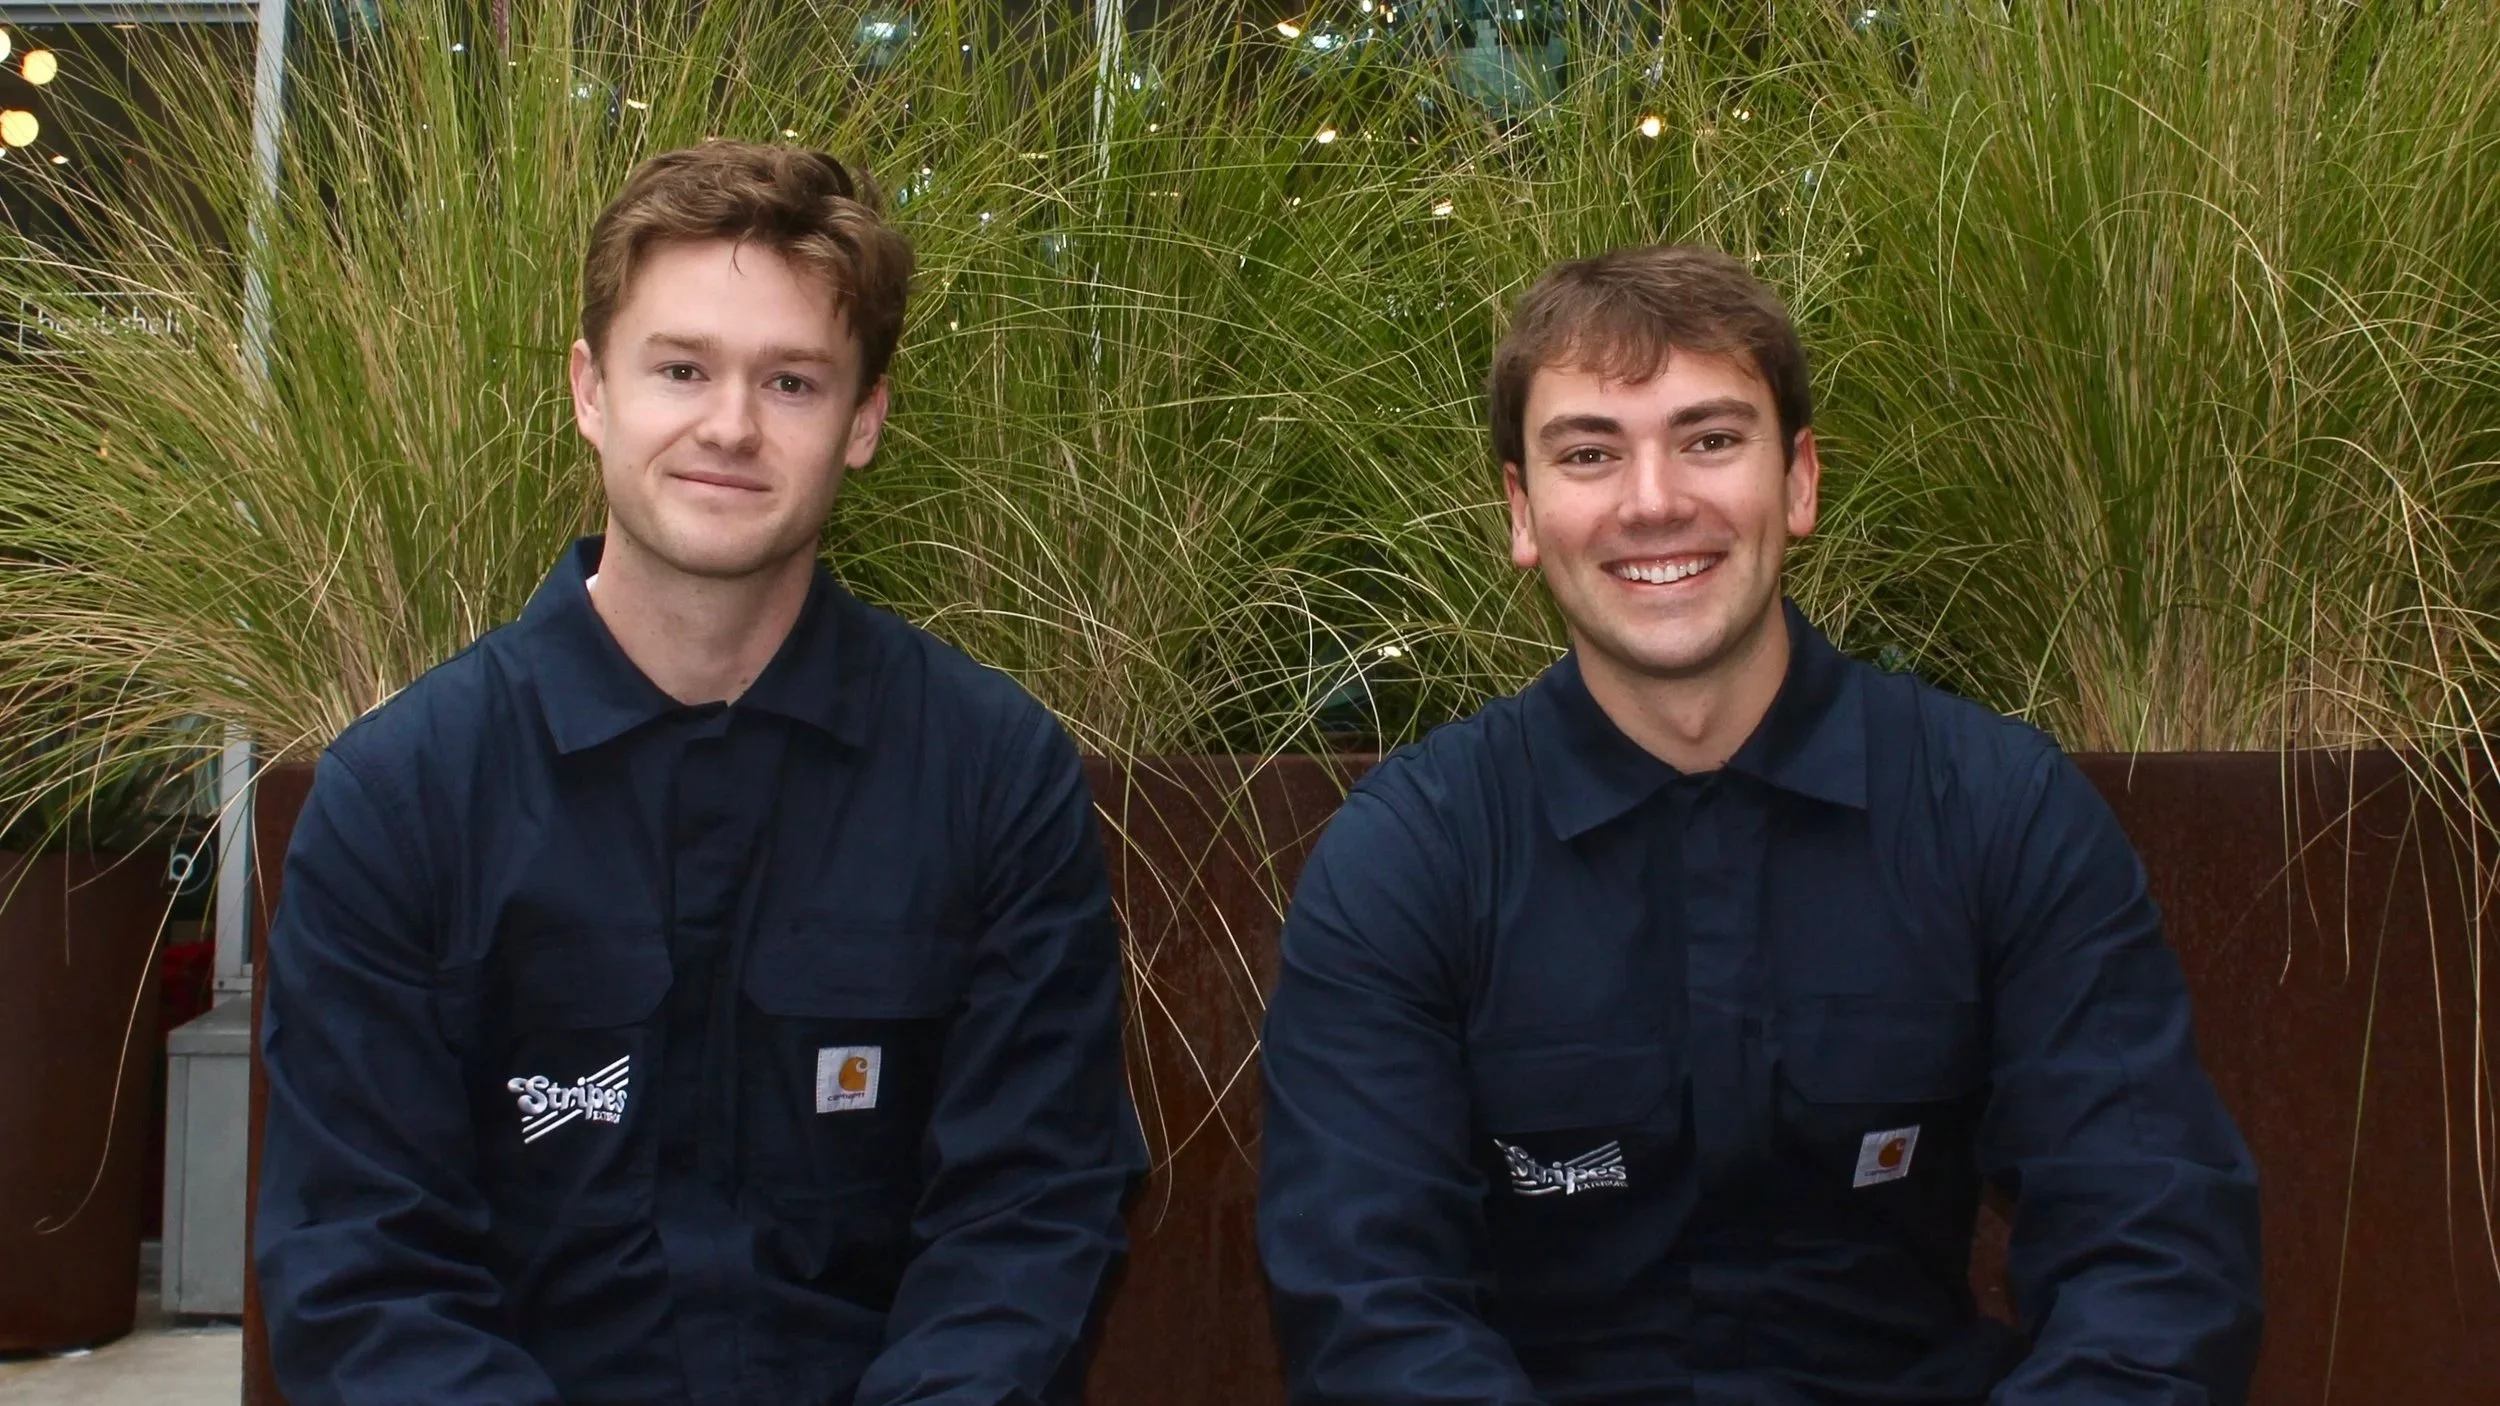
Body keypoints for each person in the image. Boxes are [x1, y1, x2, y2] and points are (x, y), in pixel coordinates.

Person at [1256, 244, 2262, 1405]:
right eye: (1590, 452)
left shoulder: (1999, 811)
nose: (1652, 501)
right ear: (1523, 514)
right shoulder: (1410, 859)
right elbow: (1369, 1307)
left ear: (1798, 482)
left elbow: (2154, 1247)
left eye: (1709, 439)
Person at [255, 142, 1146, 1405]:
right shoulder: (402, 797)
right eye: (681, 368)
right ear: (590, 390)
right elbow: (362, 1270)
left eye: (790, 380)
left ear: (866, 419)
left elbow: (1028, 1220)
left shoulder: (993, 777)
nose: (729, 425)